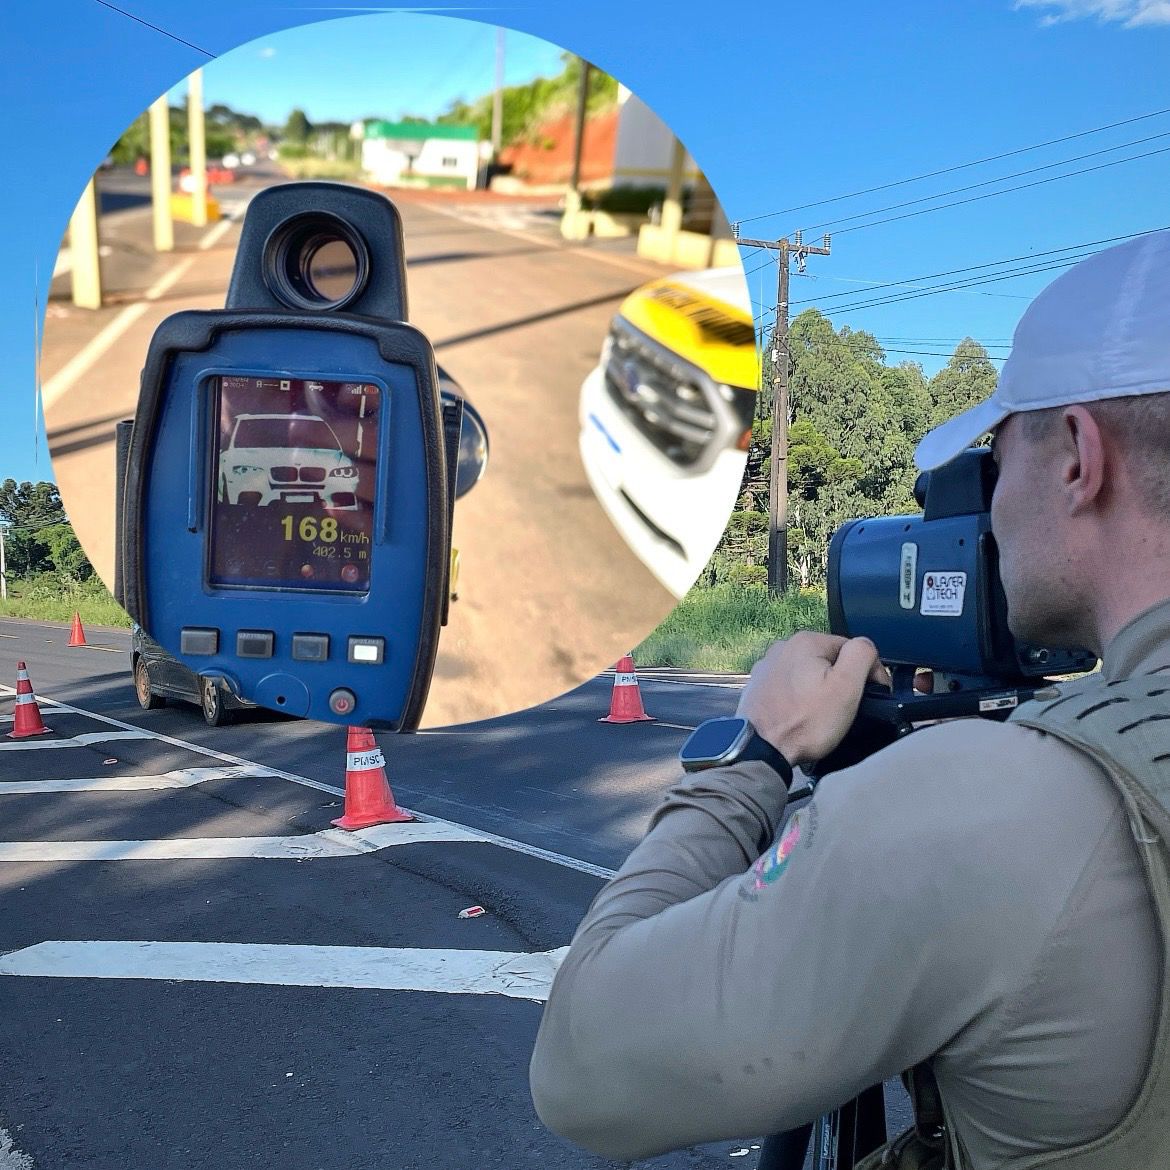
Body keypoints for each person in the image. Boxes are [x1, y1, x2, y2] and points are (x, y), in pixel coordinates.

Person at [529, 229, 1170, 1169]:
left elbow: (582, 1065)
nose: (987, 510)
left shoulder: (1005, 808)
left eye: (997, 461)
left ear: (1077, 455)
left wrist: (757, 753)